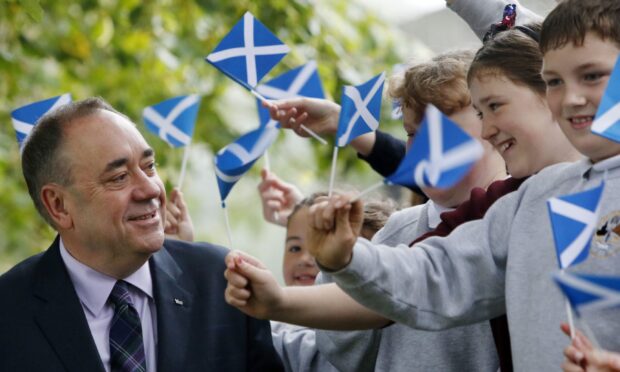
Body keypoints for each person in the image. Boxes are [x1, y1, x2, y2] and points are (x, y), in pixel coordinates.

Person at [227, 1, 620, 370]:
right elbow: (439, 275)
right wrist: (343, 262)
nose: (570, 98)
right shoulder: (526, 201)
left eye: (592, 76)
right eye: (554, 81)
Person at [0, 97, 283, 372]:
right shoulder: (9, 313)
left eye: (149, 167)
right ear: (59, 205)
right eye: (119, 177)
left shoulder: (224, 284)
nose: (150, 189)